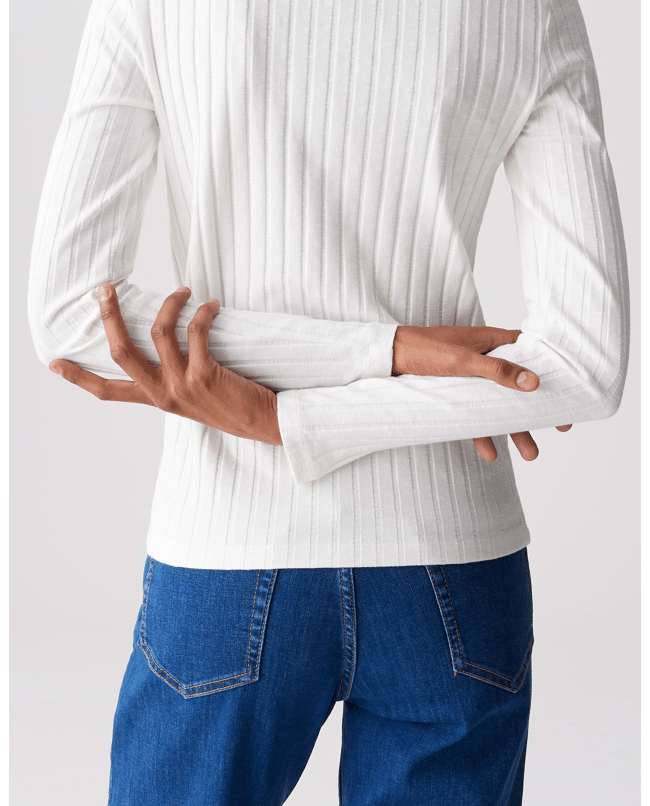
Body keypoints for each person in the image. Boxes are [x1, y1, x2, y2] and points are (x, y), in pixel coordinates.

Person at [27, 0, 630, 802]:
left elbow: (74, 314)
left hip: (230, 543)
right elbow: (584, 362)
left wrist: (289, 420)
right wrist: (391, 352)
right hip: (451, 556)